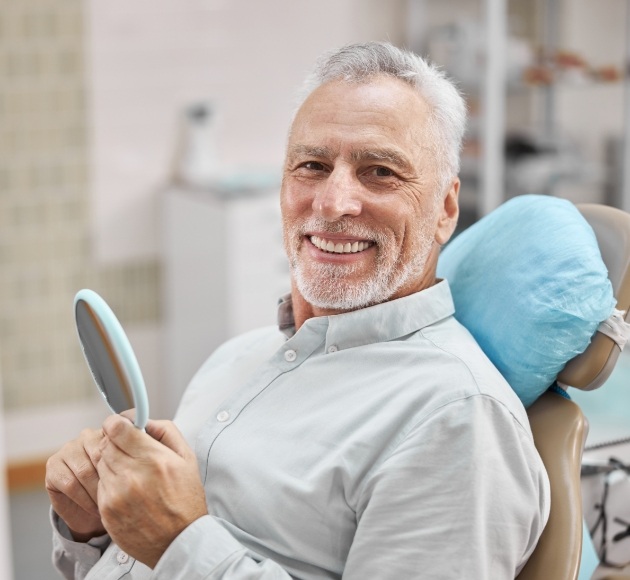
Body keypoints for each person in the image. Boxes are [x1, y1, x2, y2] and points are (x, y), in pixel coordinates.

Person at [46, 41, 550, 579]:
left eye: (379, 172)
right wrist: (93, 530)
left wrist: (181, 543)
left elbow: (175, 549)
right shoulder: (235, 358)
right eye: (312, 166)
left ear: (446, 208)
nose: (332, 203)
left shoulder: (456, 418)